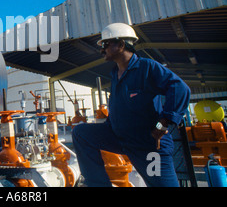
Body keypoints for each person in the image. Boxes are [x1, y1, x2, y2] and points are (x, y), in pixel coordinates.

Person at [72, 23, 191, 187]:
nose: (102, 50)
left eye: (105, 45)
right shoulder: (115, 74)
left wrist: (162, 124)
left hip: (148, 145)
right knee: (81, 132)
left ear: (120, 45)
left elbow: (180, 89)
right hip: (120, 138)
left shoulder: (146, 67)